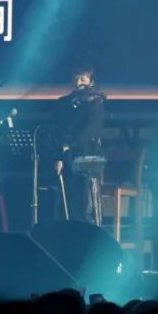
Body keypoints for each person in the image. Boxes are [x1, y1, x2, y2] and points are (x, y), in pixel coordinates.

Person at [52, 67, 107, 225]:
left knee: (84, 199)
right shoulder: (65, 103)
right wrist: (60, 155)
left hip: (88, 156)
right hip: (68, 155)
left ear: (91, 81)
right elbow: (61, 130)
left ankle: (87, 227)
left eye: (83, 79)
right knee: (63, 199)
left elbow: (89, 131)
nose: (78, 82)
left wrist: (70, 145)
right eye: (76, 78)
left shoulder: (96, 103)